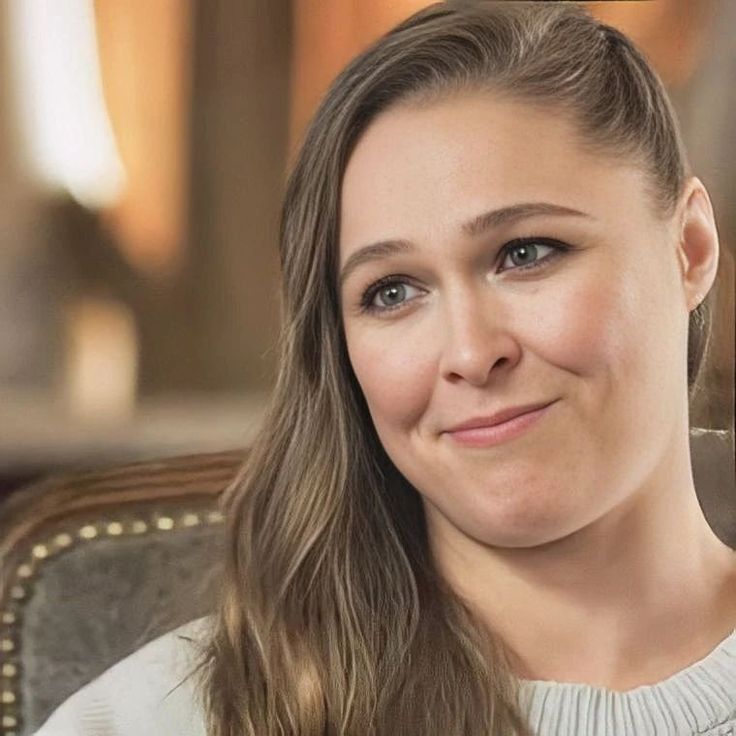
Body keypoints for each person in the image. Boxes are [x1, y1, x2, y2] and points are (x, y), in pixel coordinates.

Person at [33, 2, 736, 735]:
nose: (469, 352)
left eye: (526, 253)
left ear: (688, 247)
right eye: (392, 292)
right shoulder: (155, 721)